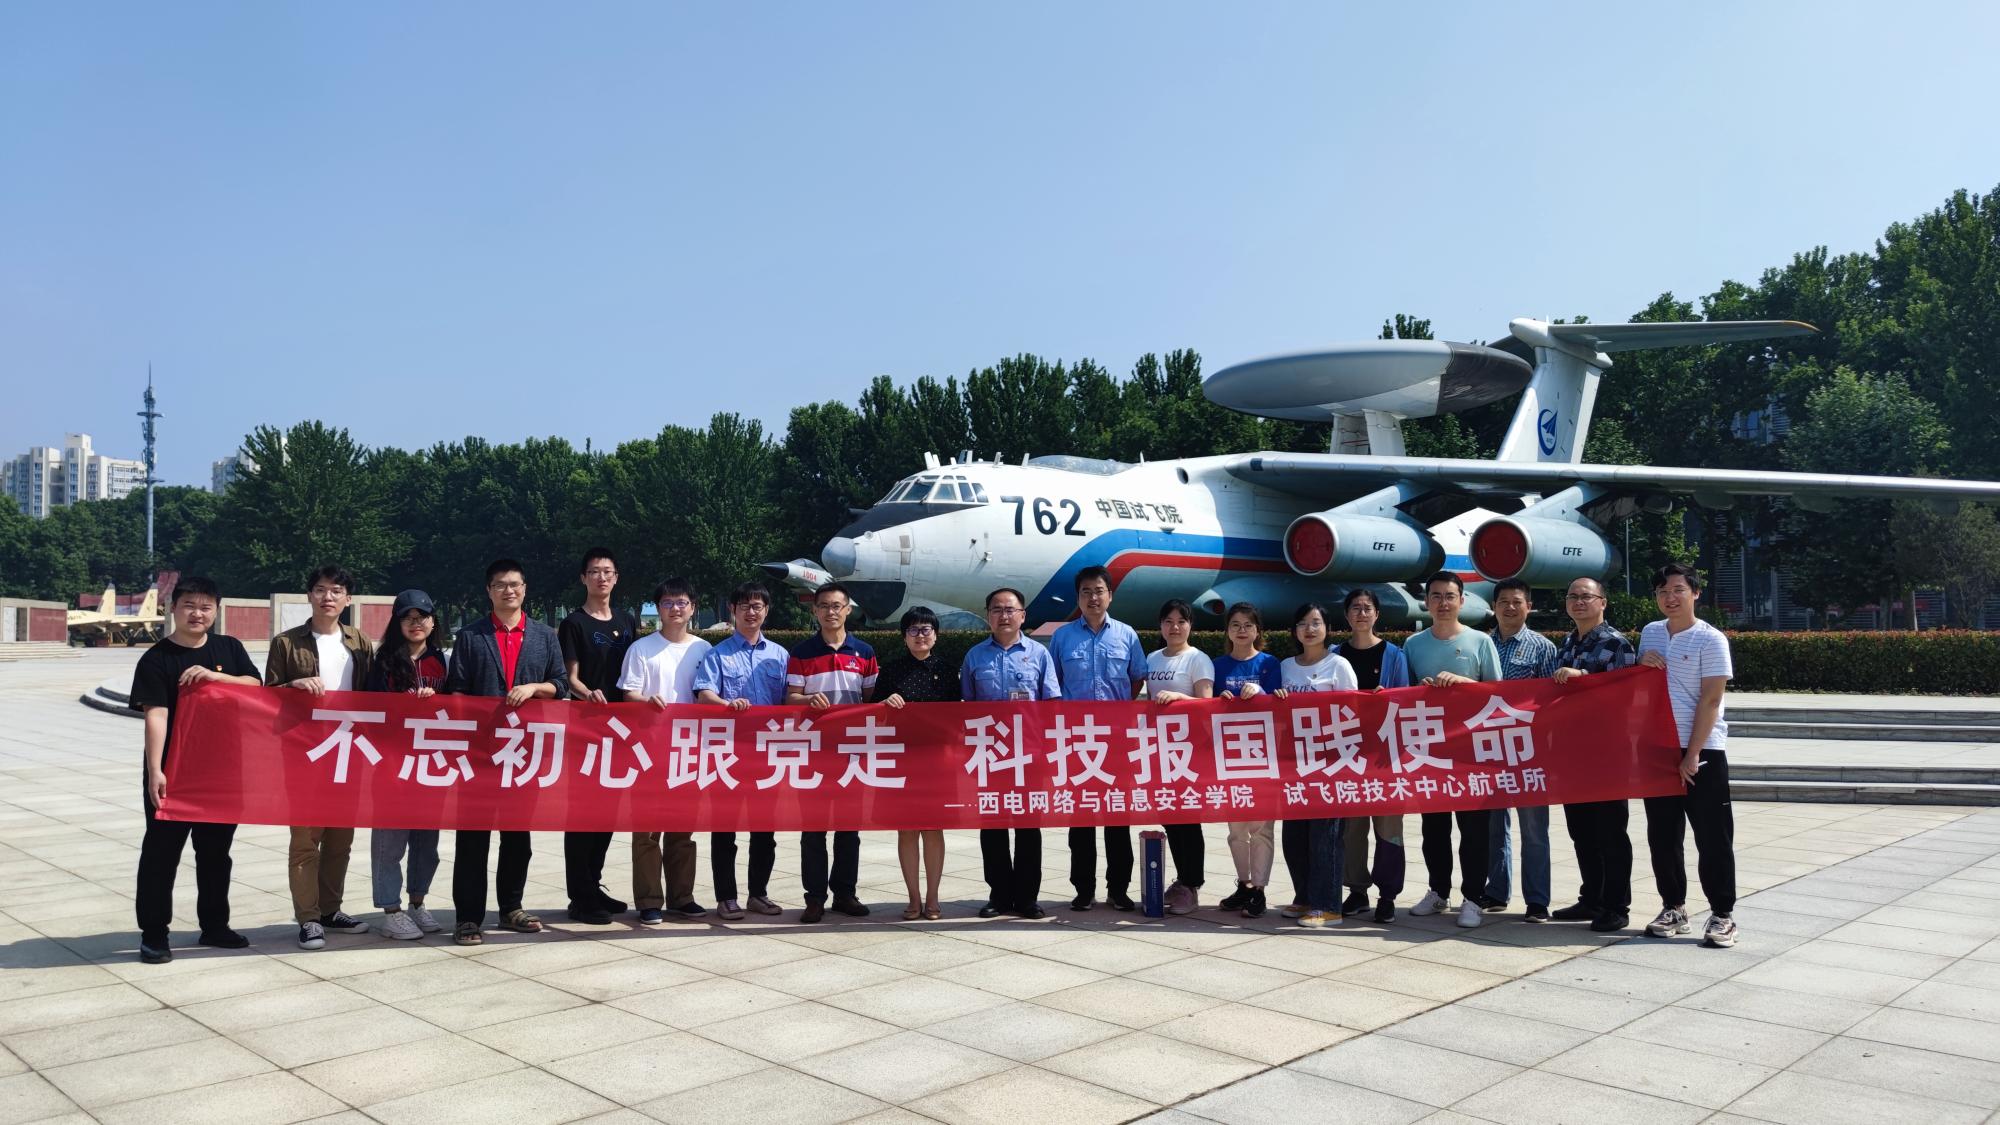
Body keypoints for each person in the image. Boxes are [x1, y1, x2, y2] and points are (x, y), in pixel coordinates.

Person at [130, 576, 262, 963]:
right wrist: (156, 770)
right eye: (189, 605)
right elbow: (156, 715)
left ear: (216, 611)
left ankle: (215, 926)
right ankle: (154, 934)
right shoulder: (157, 659)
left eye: (206, 607)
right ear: (173, 608)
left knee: (216, 853)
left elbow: (255, 684)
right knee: (161, 854)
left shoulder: (229, 648)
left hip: (221, 770)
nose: (197, 613)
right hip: (174, 772)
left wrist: (216, 676)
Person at [444, 558, 567, 945]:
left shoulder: (544, 636)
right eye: (500, 585)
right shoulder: (471, 636)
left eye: (514, 584)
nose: (508, 591)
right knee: (472, 840)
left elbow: (560, 683)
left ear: (524, 589)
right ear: (489, 591)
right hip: (479, 755)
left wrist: (534, 688)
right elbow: (456, 689)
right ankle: (468, 917)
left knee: (518, 837)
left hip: (523, 753)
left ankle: (511, 907)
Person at [263, 565, 376, 949]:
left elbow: (373, 695)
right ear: (309, 595)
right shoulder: (286, 643)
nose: (328, 597)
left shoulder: (359, 642)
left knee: (341, 839)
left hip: (348, 751)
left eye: (337, 590)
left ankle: (331, 909)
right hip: (305, 752)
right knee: (305, 839)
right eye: (321, 589)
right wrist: (292, 685)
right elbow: (266, 697)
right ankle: (309, 918)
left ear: (348, 599)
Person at [1638, 563, 1740, 948]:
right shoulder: (1650, 633)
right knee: (1663, 835)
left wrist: (1692, 753)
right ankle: (1673, 907)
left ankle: (1722, 914)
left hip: (1703, 750)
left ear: (1695, 593)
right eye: (1663, 591)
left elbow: (1712, 700)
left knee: (1713, 836)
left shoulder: (1711, 639)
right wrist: (1641, 664)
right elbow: (1642, 687)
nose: (1670, 597)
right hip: (1657, 747)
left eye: (1678, 589)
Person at [1403, 571, 1502, 929]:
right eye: (1436, 596)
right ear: (1426, 602)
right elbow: (1402, 695)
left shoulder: (1480, 641)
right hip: (1429, 751)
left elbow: (1498, 694)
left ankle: (1473, 897)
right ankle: (1438, 891)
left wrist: (1464, 683)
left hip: (1472, 753)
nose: (1443, 603)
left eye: (1449, 596)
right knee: (1434, 828)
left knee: (1474, 830)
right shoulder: (1413, 644)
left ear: (1462, 600)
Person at [1050, 566, 1146, 912]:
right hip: (1077, 741)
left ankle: (1118, 889)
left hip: (1117, 741)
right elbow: (1053, 685)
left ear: (1110, 595)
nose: (1093, 597)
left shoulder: (1126, 634)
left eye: (1099, 591)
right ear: (1078, 597)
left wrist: (1115, 714)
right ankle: (1083, 889)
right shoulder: (1062, 637)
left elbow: (1137, 678)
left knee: (1118, 818)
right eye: (1086, 591)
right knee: (1081, 820)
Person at [961, 587, 1060, 919]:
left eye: (1010, 609)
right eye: (996, 610)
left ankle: (1028, 897)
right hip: (989, 754)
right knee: (993, 826)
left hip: (1030, 755)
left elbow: (1051, 705)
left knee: (1029, 827)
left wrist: (1049, 751)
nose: (1003, 616)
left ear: (1022, 615)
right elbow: (966, 708)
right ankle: (999, 895)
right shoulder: (975, 656)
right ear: (988, 615)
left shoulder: (1039, 654)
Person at [618, 577, 712, 924]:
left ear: (693, 608)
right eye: (668, 603)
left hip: (689, 750)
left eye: (682, 602)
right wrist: (646, 700)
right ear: (657, 608)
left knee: (683, 832)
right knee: (646, 832)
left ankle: (682, 897)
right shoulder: (641, 649)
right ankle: (648, 900)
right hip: (649, 750)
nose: (675, 609)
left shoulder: (704, 649)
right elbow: (629, 694)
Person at [785, 582, 879, 923]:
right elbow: (790, 698)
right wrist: (808, 699)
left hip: (852, 753)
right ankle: (814, 898)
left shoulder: (864, 652)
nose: (830, 611)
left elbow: (870, 702)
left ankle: (844, 894)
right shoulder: (802, 652)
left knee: (848, 829)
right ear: (815, 610)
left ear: (848, 610)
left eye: (837, 605)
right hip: (814, 752)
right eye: (824, 606)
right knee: (813, 830)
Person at [694, 580, 787, 921]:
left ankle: (758, 894)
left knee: (765, 830)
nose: (751, 612)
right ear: (733, 610)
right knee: (725, 830)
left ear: (766, 611)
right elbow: (703, 694)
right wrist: (726, 704)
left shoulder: (780, 655)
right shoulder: (717, 654)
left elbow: (789, 699)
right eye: (745, 606)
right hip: (728, 754)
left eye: (757, 606)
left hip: (767, 754)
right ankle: (726, 897)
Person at [1551, 575, 1638, 933]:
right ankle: (1592, 898)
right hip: (1571, 752)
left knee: (1611, 832)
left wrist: (1584, 676)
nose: (1579, 602)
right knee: (1581, 831)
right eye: (1572, 596)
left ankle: (1616, 905)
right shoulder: (1567, 642)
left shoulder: (1616, 643)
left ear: (1603, 602)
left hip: (1607, 753)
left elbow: (1625, 695)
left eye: (1586, 596)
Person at [558, 547, 637, 925]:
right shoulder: (573, 623)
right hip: (585, 728)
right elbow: (570, 678)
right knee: (582, 814)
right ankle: (580, 896)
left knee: (607, 812)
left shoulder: (627, 620)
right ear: (583, 578)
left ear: (616, 577)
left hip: (621, 730)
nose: (601, 578)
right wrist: (587, 693)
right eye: (594, 572)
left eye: (607, 571)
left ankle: (594, 884)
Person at [364, 589, 449, 940]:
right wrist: (403, 704)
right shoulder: (383, 661)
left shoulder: (441, 661)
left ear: (433, 622)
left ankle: (417, 902)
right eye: (408, 618)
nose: (416, 623)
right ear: (397, 623)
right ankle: (390, 910)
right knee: (390, 842)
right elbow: (370, 712)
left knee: (426, 843)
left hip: (430, 764)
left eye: (422, 617)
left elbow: (457, 709)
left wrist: (437, 699)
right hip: (392, 765)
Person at [873, 606, 959, 920]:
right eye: (913, 629)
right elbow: (874, 714)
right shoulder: (891, 671)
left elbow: (959, 718)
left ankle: (933, 898)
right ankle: (913, 898)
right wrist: (885, 703)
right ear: (904, 636)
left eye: (926, 629)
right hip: (901, 759)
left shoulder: (948, 671)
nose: (920, 635)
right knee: (906, 829)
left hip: (937, 761)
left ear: (935, 635)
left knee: (933, 828)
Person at [1484, 578, 1559, 922]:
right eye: (1503, 601)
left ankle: (1537, 900)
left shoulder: (1542, 647)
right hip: (1488, 750)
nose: (1510, 607)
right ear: (1493, 606)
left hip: (1529, 751)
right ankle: (1496, 892)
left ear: (1529, 606)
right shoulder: (1481, 644)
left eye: (1517, 601)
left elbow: (1551, 702)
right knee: (1493, 827)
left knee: (1534, 830)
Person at [1279, 602, 1357, 928]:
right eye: (1303, 623)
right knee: (1294, 835)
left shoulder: (1338, 665)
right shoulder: (1285, 666)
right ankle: (1305, 897)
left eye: (1316, 623)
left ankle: (1328, 905)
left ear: (1327, 628)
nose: (1309, 629)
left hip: (1329, 763)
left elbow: (1353, 712)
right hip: (1293, 763)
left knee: (1326, 835)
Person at [1337, 587, 1410, 924]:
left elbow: (1406, 700)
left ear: (1377, 614)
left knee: (1389, 828)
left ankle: (1388, 895)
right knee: (1352, 829)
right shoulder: (1336, 655)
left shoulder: (1394, 655)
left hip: (1385, 756)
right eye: (1355, 607)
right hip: (1348, 755)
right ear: (1347, 614)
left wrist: (1388, 697)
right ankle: (1357, 890)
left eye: (1367, 608)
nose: (1362, 613)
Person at [1212, 602, 1283, 918]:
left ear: (1258, 630)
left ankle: (1260, 889)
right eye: (1235, 625)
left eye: (1248, 625)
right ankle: (1244, 884)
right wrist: (1219, 700)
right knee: (1236, 829)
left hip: (1262, 757)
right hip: (1228, 757)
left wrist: (1262, 692)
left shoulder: (1270, 663)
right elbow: (1205, 704)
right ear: (1227, 630)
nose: (1242, 631)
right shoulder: (1217, 665)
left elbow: (1280, 704)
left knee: (1261, 828)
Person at [1145, 599, 1214, 916]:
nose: (1175, 627)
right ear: (1160, 625)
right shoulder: (1152, 658)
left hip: (1189, 750)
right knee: (1169, 816)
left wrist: (1178, 698)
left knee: (1188, 817)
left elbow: (1207, 704)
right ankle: (1182, 880)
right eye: (1168, 621)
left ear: (1190, 625)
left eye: (1181, 621)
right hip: (1160, 749)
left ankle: (1192, 884)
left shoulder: (1198, 659)